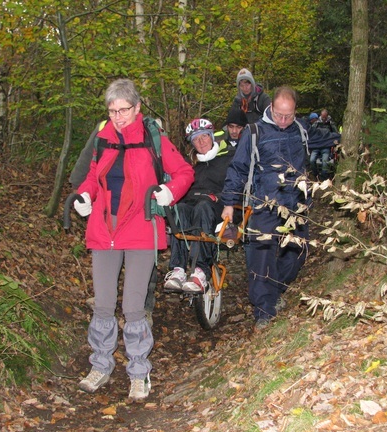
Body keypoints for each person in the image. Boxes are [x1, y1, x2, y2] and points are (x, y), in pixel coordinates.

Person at [73, 79, 194, 401]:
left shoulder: (153, 137)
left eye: (123, 110)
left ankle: (139, 372)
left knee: (133, 306)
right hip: (104, 229)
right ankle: (100, 364)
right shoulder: (103, 137)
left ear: (137, 108)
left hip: (140, 228)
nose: (118, 117)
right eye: (112, 111)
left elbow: (184, 172)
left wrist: (169, 191)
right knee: (102, 304)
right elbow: (93, 176)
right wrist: (85, 195)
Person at [220, 86, 332, 331]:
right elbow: (238, 168)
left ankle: (275, 289)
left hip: (296, 205)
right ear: (271, 108)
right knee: (261, 260)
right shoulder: (254, 132)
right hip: (264, 205)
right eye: (279, 115)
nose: (283, 120)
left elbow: (327, 138)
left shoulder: (301, 128)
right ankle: (263, 310)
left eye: (288, 115)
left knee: (297, 254)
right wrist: (229, 204)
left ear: (295, 112)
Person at [163, 118, 237, 293]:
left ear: (212, 137)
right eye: (196, 139)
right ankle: (178, 269)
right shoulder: (193, 166)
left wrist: (222, 199)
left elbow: (236, 185)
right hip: (194, 205)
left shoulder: (229, 160)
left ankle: (201, 270)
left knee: (203, 206)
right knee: (180, 210)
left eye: (204, 136)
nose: (201, 142)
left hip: (218, 207)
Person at [308, 109, 341, 180]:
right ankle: (315, 174)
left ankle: (323, 177)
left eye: (324, 117)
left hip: (326, 146)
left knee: (325, 162)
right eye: (322, 117)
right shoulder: (316, 123)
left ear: (327, 116)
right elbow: (311, 133)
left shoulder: (330, 123)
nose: (323, 119)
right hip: (316, 146)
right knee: (312, 160)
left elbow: (336, 133)